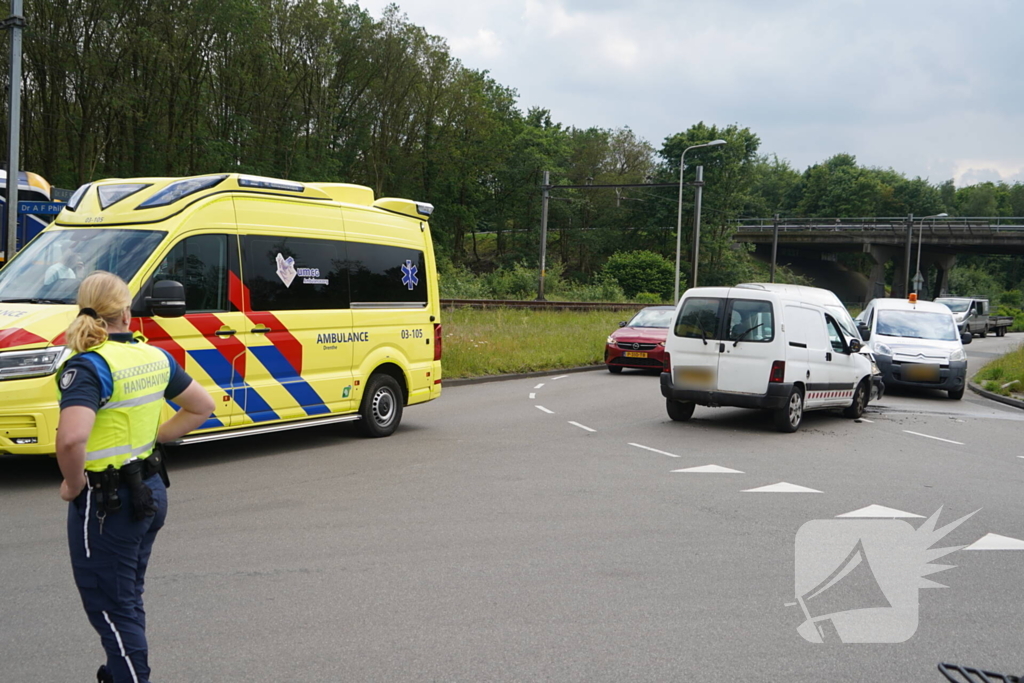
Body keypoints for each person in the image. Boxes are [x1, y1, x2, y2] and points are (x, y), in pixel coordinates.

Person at [56, 271, 214, 683]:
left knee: (110, 608)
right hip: (149, 490)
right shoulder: (154, 356)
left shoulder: (90, 365)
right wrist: (156, 437)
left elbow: (72, 439)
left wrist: (72, 485)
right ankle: (119, 672)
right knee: (125, 597)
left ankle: (131, 676)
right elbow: (201, 406)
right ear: (126, 312)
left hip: (108, 503)